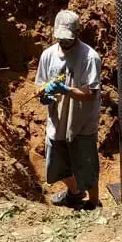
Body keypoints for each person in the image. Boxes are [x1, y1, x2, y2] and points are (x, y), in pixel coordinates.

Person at [36, 10, 102, 209]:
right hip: (57, 121)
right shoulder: (48, 55)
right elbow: (38, 84)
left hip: (81, 122)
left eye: (68, 39)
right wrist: (44, 95)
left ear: (77, 33)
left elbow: (90, 93)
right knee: (57, 164)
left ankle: (93, 203)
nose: (64, 43)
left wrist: (66, 90)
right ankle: (74, 193)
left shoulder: (89, 57)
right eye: (60, 39)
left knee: (86, 166)